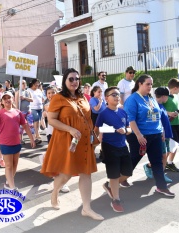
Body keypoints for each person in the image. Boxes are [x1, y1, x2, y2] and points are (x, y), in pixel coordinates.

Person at [41, 68, 104, 221]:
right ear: (65, 81)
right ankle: (55, 191)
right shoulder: (58, 98)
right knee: (66, 174)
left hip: (83, 141)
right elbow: (52, 119)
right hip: (67, 140)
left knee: (85, 172)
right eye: (71, 79)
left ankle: (87, 208)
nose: (74, 82)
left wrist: (92, 139)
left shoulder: (83, 97)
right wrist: (69, 129)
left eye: (77, 79)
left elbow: (88, 119)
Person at [124, 74, 175, 196]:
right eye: (148, 84)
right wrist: (138, 135)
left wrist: (161, 130)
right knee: (133, 159)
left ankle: (161, 187)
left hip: (155, 135)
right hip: (140, 136)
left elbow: (157, 116)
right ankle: (115, 181)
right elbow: (131, 119)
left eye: (151, 84)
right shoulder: (133, 99)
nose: (150, 86)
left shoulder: (151, 98)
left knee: (157, 161)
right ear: (139, 84)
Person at [94, 86, 133, 213]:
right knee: (114, 174)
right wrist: (98, 139)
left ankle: (109, 185)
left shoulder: (123, 112)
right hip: (109, 147)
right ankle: (116, 199)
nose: (117, 96)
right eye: (114, 95)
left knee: (128, 172)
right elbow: (96, 129)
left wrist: (125, 131)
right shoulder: (103, 114)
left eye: (118, 94)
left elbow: (129, 129)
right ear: (106, 98)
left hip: (122, 146)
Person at [0, 91, 35, 190]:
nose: (7, 100)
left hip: (16, 142)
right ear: (2, 102)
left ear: (13, 99)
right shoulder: (0, 112)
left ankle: (8, 183)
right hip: (5, 143)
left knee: (14, 165)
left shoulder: (18, 112)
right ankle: (12, 188)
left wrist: (31, 138)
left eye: (9, 97)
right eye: (5, 98)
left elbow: (25, 125)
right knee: (9, 166)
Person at [143, 87, 173, 183]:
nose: (167, 98)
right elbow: (154, 121)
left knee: (163, 155)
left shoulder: (160, 105)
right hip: (160, 135)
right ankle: (161, 175)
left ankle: (153, 169)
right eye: (167, 96)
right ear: (164, 96)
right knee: (163, 156)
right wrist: (162, 132)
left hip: (165, 135)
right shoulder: (154, 106)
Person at [162, 78, 179, 172]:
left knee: (175, 145)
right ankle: (163, 164)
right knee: (171, 145)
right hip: (170, 125)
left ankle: (170, 162)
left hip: (177, 123)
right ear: (176, 88)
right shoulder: (166, 97)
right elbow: (160, 108)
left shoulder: (175, 96)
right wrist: (169, 113)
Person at [15, 80, 33, 144]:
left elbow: (32, 99)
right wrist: (17, 112)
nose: (24, 84)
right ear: (19, 84)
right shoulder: (17, 92)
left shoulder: (28, 91)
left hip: (28, 111)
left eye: (25, 83)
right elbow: (16, 102)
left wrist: (24, 98)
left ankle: (32, 138)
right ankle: (20, 139)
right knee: (21, 126)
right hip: (22, 111)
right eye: (22, 83)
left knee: (30, 125)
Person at [28, 79, 44, 144]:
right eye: (36, 83)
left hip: (40, 107)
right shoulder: (29, 90)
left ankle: (36, 135)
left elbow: (42, 98)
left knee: (39, 121)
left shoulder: (39, 90)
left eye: (38, 84)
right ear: (33, 83)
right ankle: (37, 135)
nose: (37, 85)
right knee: (36, 120)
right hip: (33, 108)